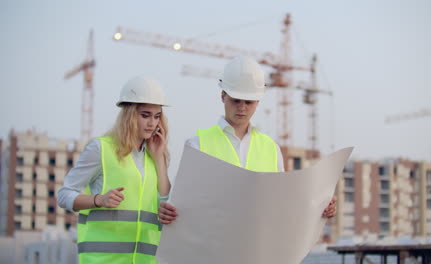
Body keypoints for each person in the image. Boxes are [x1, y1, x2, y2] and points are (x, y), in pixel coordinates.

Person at [158, 56, 336, 225]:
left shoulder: (271, 149)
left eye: (249, 102)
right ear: (223, 96)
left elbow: (283, 203)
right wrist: (166, 210)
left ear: (258, 102)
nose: (242, 108)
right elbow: (180, 203)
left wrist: (319, 207)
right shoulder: (197, 145)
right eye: (236, 100)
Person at [58, 76, 171, 264]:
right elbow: (64, 195)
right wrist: (99, 200)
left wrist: (159, 158)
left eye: (157, 116)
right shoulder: (100, 149)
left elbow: (165, 202)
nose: (152, 123)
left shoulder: (154, 156)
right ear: (129, 114)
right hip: (103, 260)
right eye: (145, 115)